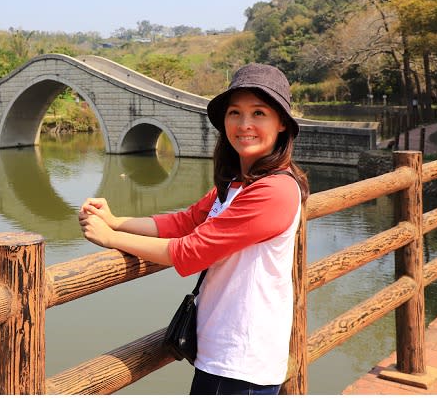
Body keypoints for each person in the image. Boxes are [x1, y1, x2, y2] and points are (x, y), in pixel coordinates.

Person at [79, 63, 309, 395]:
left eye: (259, 113)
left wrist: (111, 238)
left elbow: (191, 250)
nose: (244, 125)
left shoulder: (275, 191)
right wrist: (116, 220)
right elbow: (185, 222)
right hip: (220, 351)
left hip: (242, 361)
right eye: (235, 113)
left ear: (282, 124)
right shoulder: (236, 185)